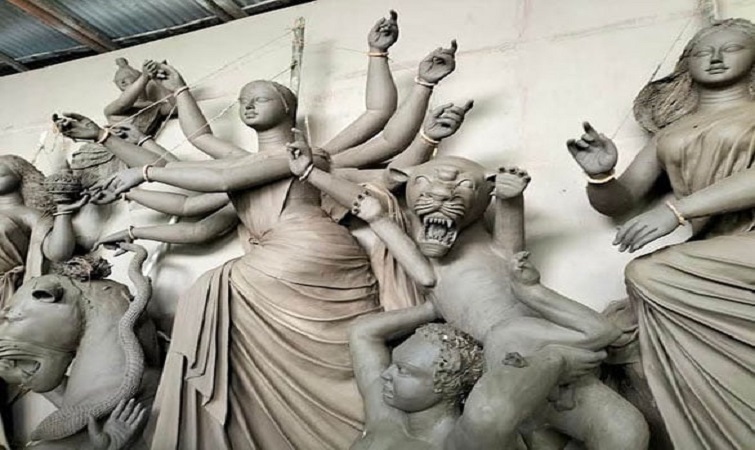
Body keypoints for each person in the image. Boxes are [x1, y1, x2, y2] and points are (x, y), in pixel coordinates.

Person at [89, 16, 461, 449]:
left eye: (260, 97)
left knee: (213, 291)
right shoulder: (241, 166)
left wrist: (401, 69)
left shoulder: (303, 156)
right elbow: (194, 206)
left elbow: (383, 126)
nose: (247, 105)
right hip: (277, 259)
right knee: (213, 298)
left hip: (309, 250)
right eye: (243, 100)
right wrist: (133, 221)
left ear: (287, 106)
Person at [566, 18, 755, 449]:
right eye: (702, 51)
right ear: (686, 63)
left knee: (649, 273)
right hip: (712, 251)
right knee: (638, 300)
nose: (716, 57)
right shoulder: (670, 134)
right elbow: (621, 200)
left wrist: (677, 211)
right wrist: (601, 176)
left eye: (732, 47)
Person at [349, 301, 607, 449]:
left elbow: (489, 412)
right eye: (394, 365)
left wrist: (555, 361)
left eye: (404, 370)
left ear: (446, 383)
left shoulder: (459, 441)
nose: (386, 375)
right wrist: (435, 306)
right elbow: (362, 333)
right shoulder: (385, 411)